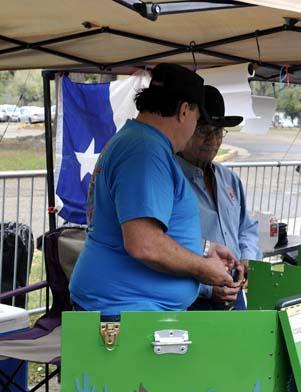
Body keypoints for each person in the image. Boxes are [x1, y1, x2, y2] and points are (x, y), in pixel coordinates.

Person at [70, 63, 241, 316]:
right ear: (184, 111)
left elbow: (148, 229)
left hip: (128, 307)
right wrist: (203, 268)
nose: (194, 127)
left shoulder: (140, 142)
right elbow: (144, 244)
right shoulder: (145, 150)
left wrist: (203, 247)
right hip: (124, 311)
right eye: (197, 119)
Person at [178, 85, 260, 309]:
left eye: (219, 131)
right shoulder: (171, 181)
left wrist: (247, 257)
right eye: (204, 131)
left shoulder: (229, 180)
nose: (213, 140)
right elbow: (164, 249)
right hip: (191, 299)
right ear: (187, 128)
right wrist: (207, 287)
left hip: (234, 293)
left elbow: (247, 228)